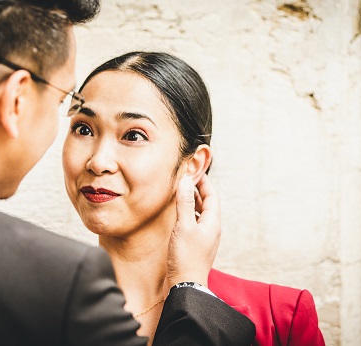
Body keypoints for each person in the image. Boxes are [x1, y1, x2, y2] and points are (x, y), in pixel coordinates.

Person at [0, 1, 256, 345]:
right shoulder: (55, 286)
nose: (97, 161)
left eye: (132, 134)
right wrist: (191, 288)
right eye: (73, 113)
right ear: (17, 99)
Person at [62, 51, 326, 345]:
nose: (98, 162)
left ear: (194, 164)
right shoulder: (26, 307)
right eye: (83, 129)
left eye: (133, 135)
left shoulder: (279, 318)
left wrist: (190, 290)